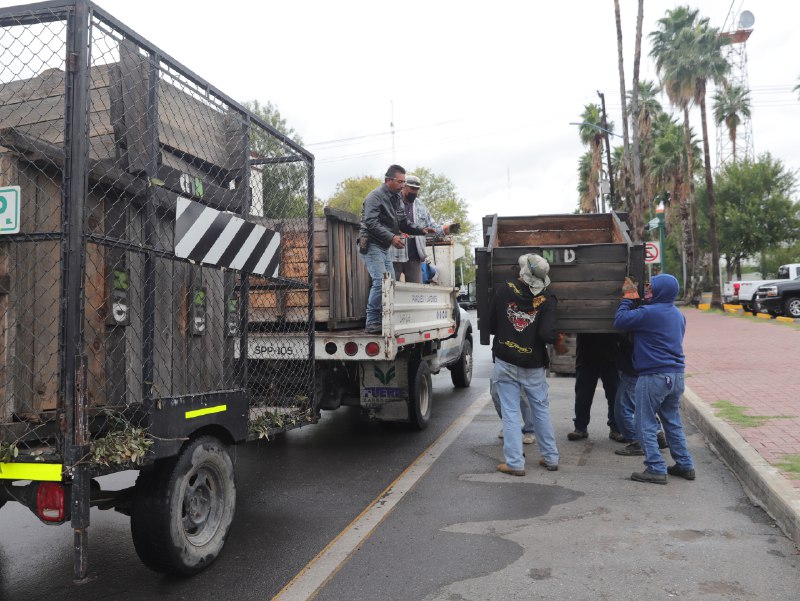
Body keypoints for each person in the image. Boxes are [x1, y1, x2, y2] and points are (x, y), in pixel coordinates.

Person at [613, 273, 695, 484]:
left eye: (651, 288)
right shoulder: (678, 314)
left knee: (644, 422)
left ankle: (656, 468)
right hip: (676, 375)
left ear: (660, 291)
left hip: (654, 376)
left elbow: (620, 321)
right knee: (672, 421)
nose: (647, 291)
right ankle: (685, 465)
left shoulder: (649, 312)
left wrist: (627, 299)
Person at [490, 253, 564, 476]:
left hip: (505, 359)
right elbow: (546, 334)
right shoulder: (548, 297)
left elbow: (492, 323)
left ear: (523, 271)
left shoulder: (504, 289)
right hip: (534, 362)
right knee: (540, 409)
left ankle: (515, 463)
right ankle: (550, 458)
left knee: (511, 412)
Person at [358, 165, 433, 334]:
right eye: (400, 182)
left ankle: (384, 319)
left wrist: (421, 230)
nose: (402, 185)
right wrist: (391, 237)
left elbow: (403, 223)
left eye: (403, 182)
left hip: (383, 246)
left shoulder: (396, 199)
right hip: (370, 244)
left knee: (390, 282)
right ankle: (372, 322)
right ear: (388, 180)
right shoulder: (375, 197)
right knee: (380, 281)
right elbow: (371, 222)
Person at [391, 174, 458, 283]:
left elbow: (432, 227)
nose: (414, 192)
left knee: (416, 293)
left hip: (414, 256)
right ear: (404, 187)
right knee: (390, 290)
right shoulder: (393, 202)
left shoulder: (421, 206)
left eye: (417, 190)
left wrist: (447, 229)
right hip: (394, 255)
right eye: (412, 188)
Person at [566, 333, 621, 442]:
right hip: (586, 357)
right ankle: (580, 428)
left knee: (614, 396)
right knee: (583, 397)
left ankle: (616, 428)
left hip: (611, 357)